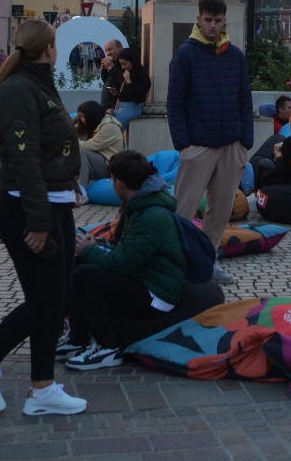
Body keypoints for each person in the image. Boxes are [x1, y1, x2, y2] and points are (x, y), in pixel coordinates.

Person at [0, 18, 87, 417]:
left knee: (57, 297)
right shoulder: (19, 90)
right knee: (43, 303)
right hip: (29, 210)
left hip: (53, 203)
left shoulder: (37, 82)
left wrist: (71, 187)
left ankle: (42, 388)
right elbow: (25, 160)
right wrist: (38, 222)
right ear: (49, 48)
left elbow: (52, 150)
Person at [65, 149, 224, 370]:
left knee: (84, 275)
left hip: (157, 293)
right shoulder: (141, 205)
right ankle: (76, 339)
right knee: (80, 264)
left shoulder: (152, 216)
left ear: (119, 184)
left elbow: (122, 263)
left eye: (112, 180)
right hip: (146, 277)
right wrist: (96, 246)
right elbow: (130, 251)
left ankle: (107, 348)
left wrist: (90, 250)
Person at [167, 0, 253, 272]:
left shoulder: (236, 55)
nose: (213, 26)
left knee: (221, 210)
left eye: (217, 20)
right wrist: (184, 144)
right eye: (208, 20)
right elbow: (175, 102)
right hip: (198, 145)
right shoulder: (186, 54)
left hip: (231, 143)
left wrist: (245, 142)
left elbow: (244, 98)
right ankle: (176, 261)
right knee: (184, 207)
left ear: (224, 20)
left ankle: (207, 259)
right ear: (199, 19)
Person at [75, 100, 127, 185]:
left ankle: (81, 191)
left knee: (83, 153)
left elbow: (91, 146)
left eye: (83, 117)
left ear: (90, 116)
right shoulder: (94, 124)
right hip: (102, 161)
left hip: (112, 166)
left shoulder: (109, 126)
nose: (81, 120)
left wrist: (72, 142)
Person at [111, 47, 149, 129]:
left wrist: (128, 82)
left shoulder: (142, 75)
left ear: (132, 61)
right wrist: (116, 92)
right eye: (121, 64)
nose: (123, 67)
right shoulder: (124, 72)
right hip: (119, 105)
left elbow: (139, 97)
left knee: (114, 129)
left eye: (125, 64)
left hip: (132, 106)